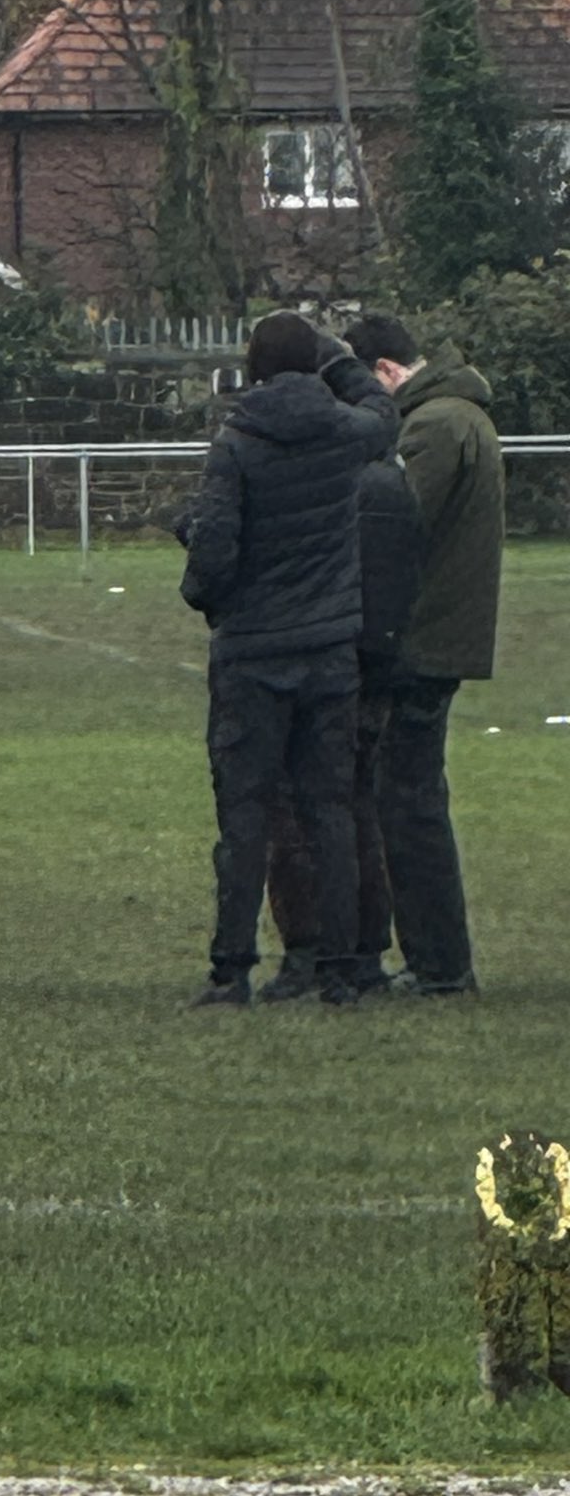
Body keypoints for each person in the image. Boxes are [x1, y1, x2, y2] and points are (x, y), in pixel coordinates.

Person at [180, 311, 398, 1007]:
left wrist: (204, 596)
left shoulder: (237, 443)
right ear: (313, 366)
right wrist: (340, 361)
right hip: (329, 647)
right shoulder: (342, 434)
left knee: (244, 816)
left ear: (253, 368)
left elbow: (214, 550)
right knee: (329, 809)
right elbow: (382, 409)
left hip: (252, 652)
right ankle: (340, 964)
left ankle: (231, 968)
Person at [344, 313, 505, 995]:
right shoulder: (458, 415)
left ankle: (440, 966)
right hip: (440, 634)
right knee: (409, 797)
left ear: (383, 370)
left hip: (423, 639)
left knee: (407, 804)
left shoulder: (434, 426)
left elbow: (399, 522)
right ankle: (437, 962)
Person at [262, 417, 424, 998]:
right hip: (376, 661)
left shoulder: (328, 479)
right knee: (358, 804)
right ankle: (363, 950)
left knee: (297, 806)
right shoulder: (393, 480)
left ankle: (309, 950)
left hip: (324, 659)